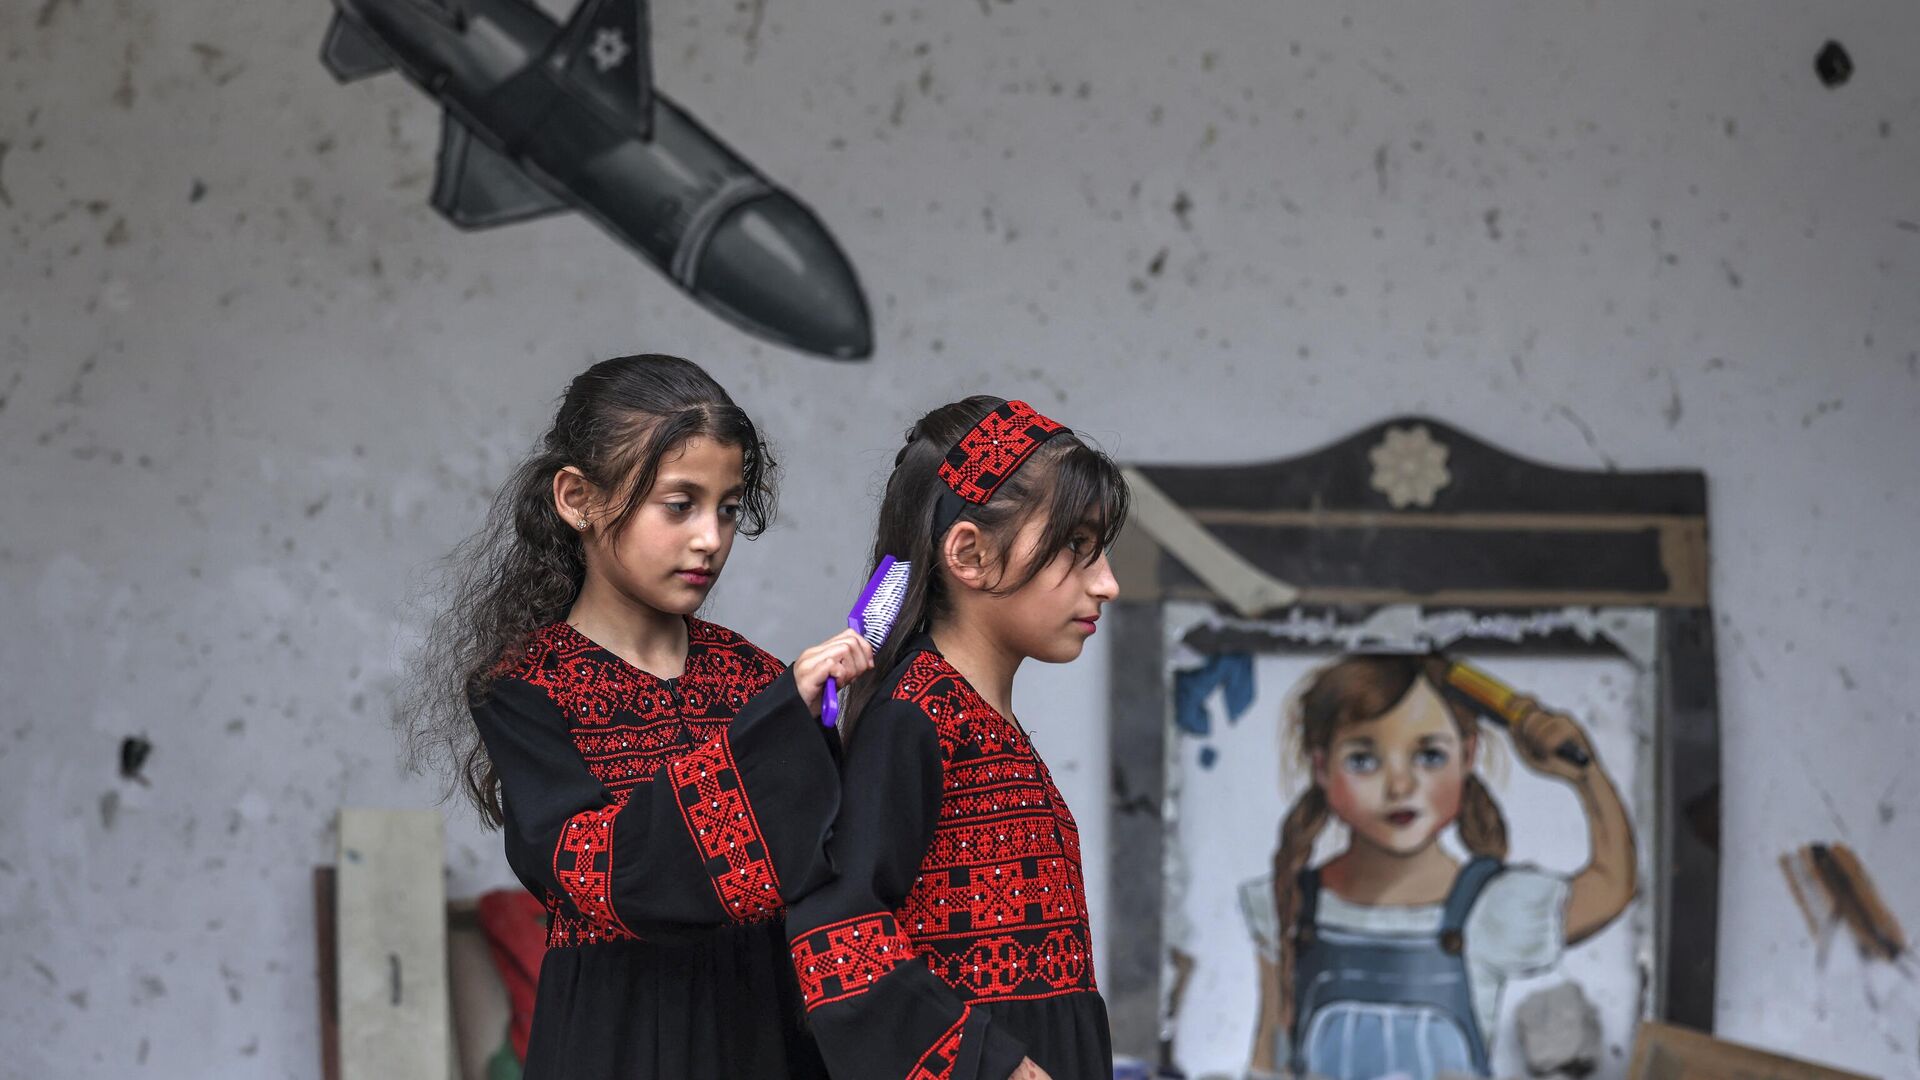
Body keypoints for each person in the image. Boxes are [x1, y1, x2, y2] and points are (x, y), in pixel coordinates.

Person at [407, 353, 872, 1078]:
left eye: (727, 508)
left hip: (764, 1037)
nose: (710, 538)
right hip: (612, 1042)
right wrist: (774, 730)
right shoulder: (524, 687)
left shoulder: (756, 678)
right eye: (679, 504)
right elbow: (599, 871)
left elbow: (830, 869)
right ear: (578, 499)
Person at [786, 397, 1130, 1080]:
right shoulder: (917, 718)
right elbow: (835, 937)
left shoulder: (973, 718)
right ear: (970, 553)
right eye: (1076, 545)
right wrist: (991, 1065)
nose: (1108, 584)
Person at [1239, 654, 1637, 1080]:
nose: (1400, 785)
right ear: (1321, 767)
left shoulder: (1492, 909)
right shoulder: (1288, 903)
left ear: (1467, 756)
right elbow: (1269, 1059)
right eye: (1363, 760)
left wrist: (1585, 774)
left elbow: (1612, 886)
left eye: (1429, 756)